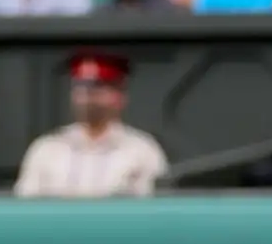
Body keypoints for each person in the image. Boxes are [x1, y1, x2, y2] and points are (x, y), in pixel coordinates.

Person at [14, 50, 169, 198]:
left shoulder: (142, 150)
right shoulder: (47, 149)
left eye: (98, 87)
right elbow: (25, 207)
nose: (87, 95)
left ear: (119, 96)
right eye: (80, 86)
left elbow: (154, 212)